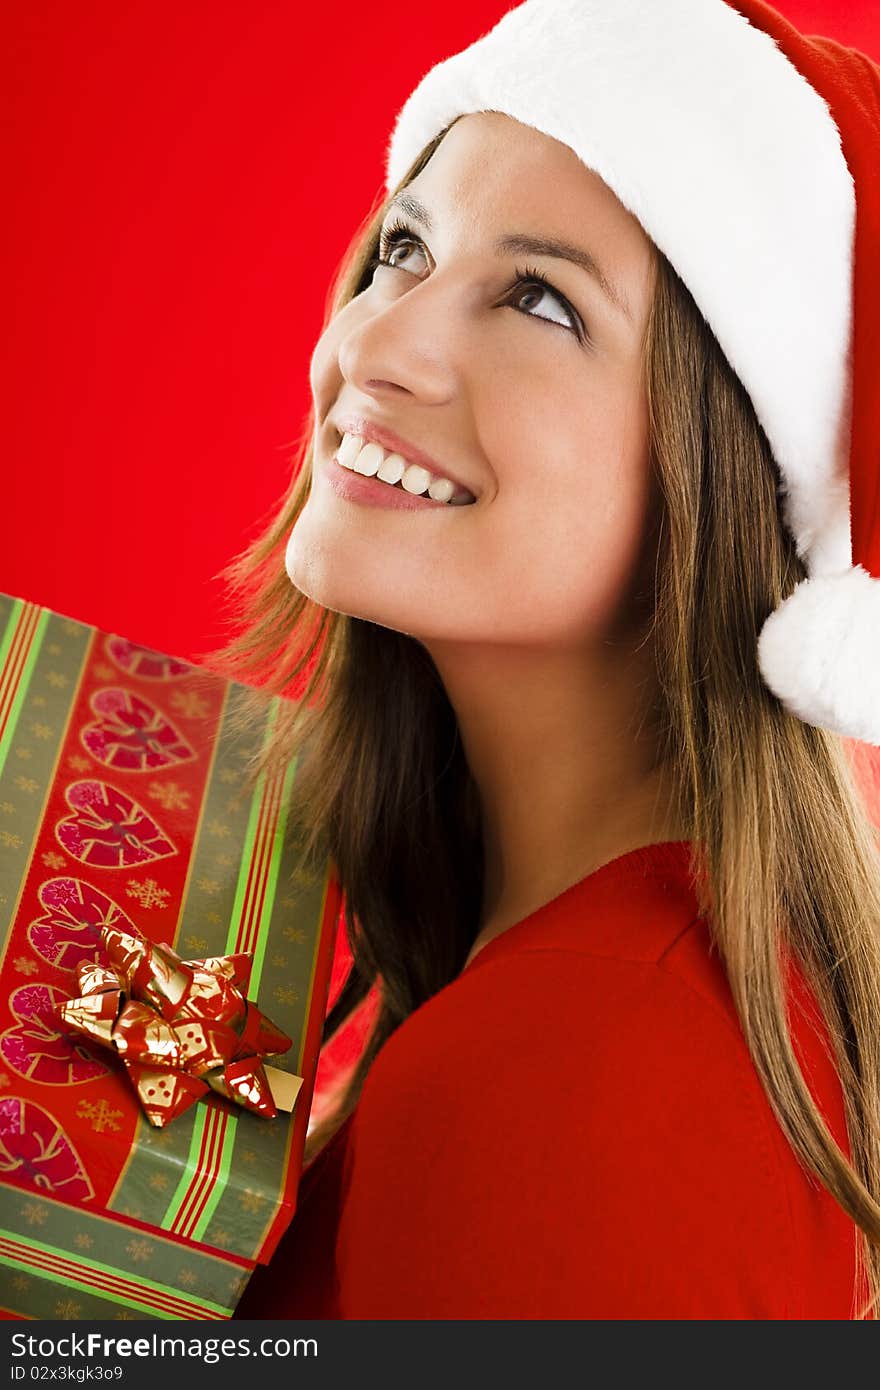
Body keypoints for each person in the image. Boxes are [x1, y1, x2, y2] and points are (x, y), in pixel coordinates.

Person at [221, 0, 880, 1319]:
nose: (378, 341)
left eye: (538, 299)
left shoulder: (579, 1066)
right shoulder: (610, 992)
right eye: (405, 245)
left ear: (727, 479)